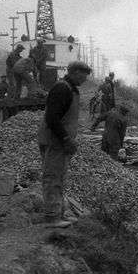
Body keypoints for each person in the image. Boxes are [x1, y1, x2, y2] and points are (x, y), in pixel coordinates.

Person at [38, 61, 92, 228]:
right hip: (56, 140)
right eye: (84, 75)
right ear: (75, 72)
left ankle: (58, 214)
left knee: (59, 177)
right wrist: (66, 139)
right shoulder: (62, 89)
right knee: (53, 177)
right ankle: (52, 217)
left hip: (61, 142)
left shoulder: (71, 89)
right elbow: (52, 118)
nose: (85, 79)